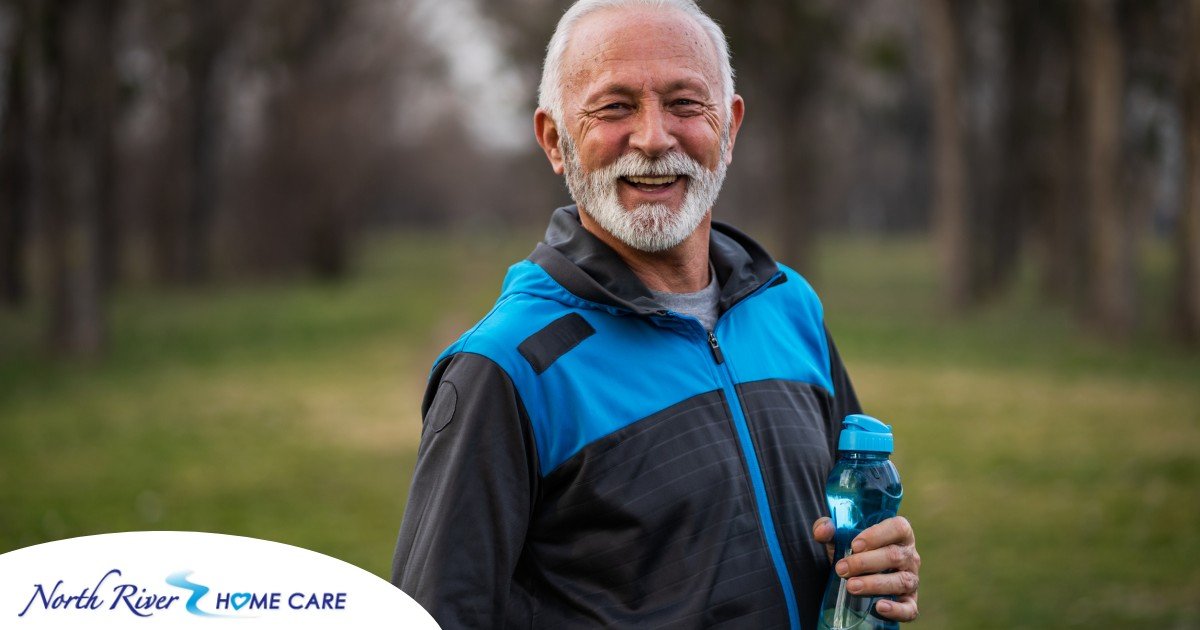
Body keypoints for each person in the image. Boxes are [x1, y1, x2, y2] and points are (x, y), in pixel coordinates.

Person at [391, 1, 921, 627]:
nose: (653, 137)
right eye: (615, 106)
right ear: (555, 140)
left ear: (729, 126)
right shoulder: (505, 369)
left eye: (684, 103)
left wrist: (880, 567)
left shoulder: (790, 306)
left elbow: (855, 520)